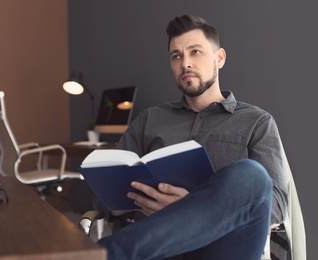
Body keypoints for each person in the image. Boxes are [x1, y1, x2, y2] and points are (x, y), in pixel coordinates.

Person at [94, 14, 288, 259]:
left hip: (221, 248)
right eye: (176, 56)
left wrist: (192, 210)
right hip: (156, 250)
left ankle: (106, 255)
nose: (185, 63)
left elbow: (276, 205)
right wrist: (122, 204)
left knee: (252, 177)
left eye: (195, 52)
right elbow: (104, 196)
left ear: (219, 58)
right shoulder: (149, 119)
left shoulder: (257, 122)